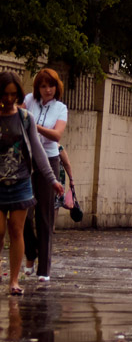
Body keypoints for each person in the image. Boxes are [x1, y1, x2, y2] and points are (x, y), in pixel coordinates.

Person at [0, 72, 63, 295]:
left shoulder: (26, 117)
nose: (9, 99)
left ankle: (15, 280)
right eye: (5, 94)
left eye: (13, 94)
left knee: (18, 230)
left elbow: (39, 148)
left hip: (23, 180)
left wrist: (52, 179)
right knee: (0, 231)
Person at [22, 68, 68, 281]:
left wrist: (34, 126)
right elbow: (16, 117)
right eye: (43, 86)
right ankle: (30, 252)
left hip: (49, 160)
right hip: (26, 159)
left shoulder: (60, 108)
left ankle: (44, 269)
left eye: (51, 85)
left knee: (45, 215)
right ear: (37, 88)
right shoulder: (29, 100)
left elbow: (56, 135)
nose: (47, 90)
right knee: (23, 213)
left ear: (56, 87)